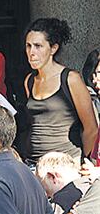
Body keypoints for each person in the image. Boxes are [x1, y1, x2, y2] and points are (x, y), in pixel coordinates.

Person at [23, 18, 99, 163]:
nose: (31, 52)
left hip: (66, 163)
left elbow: (91, 128)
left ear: (53, 48)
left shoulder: (71, 79)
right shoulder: (29, 80)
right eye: (28, 46)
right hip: (34, 162)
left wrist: (86, 161)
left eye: (38, 46)